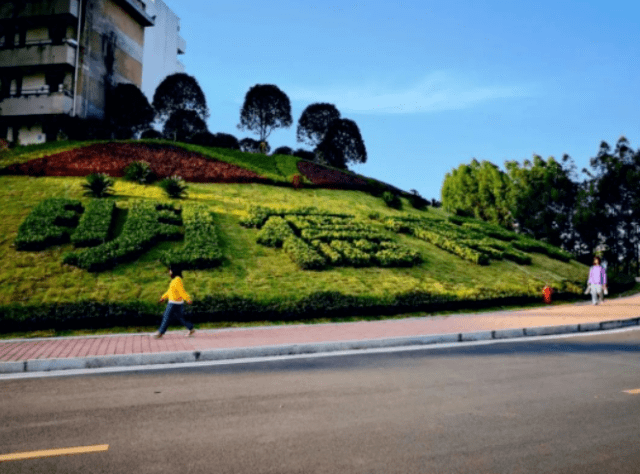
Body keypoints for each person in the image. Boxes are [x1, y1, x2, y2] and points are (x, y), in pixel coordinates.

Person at [152, 264, 195, 338]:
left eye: (170, 270)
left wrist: (188, 299)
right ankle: (191, 328)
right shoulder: (175, 280)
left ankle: (160, 332)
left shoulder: (177, 280)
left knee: (166, 316)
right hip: (176, 302)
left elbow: (182, 291)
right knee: (180, 318)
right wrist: (163, 297)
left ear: (174, 271)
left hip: (173, 303)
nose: (169, 272)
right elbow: (170, 291)